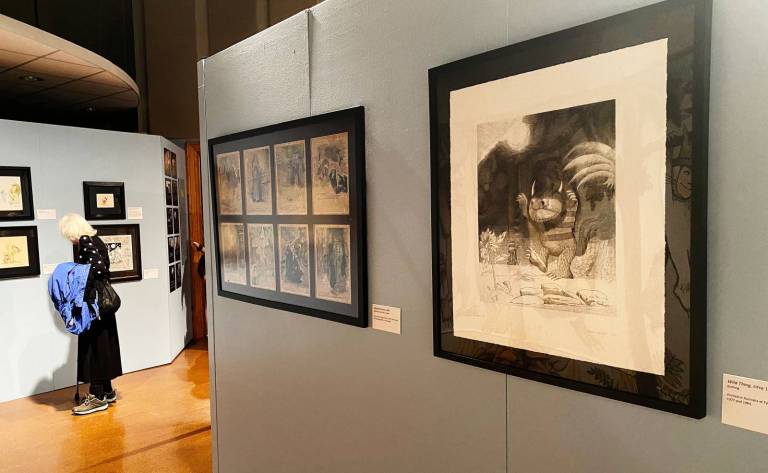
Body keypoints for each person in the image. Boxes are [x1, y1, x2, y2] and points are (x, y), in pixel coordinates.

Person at [58, 213, 123, 415]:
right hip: (101, 306)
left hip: (94, 305)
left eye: (68, 234)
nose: (69, 239)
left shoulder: (86, 241)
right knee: (103, 345)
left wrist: (75, 277)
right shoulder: (95, 239)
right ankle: (107, 391)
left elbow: (99, 270)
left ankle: (97, 397)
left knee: (94, 348)